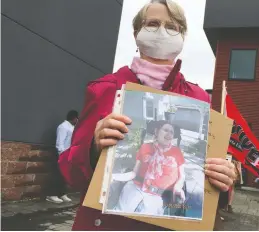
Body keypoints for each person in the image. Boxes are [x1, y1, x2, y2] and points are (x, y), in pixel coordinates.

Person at [58, 0, 236, 230]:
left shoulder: (200, 98)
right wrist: (93, 147)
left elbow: (209, 188)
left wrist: (224, 179)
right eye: (152, 24)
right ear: (136, 33)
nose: (162, 31)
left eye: (172, 26)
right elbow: (71, 173)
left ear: (182, 37)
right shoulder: (105, 89)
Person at [111, 120, 185, 216]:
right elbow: (133, 173)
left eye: (171, 132)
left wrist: (178, 187)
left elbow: (182, 176)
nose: (169, 134)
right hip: (135, 188)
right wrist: (113, 177)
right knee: (118, 216)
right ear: (156, 131)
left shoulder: (177, 152)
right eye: (166, 130)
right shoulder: (145, 147)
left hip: (158, 196)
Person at [46, 110, 78, 204]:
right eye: (77, 118)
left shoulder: (72, 127)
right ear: (74, 118)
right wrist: (62, 155)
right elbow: (60, 143)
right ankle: (52, 195)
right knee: (57, 175)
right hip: (62, 155)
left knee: (65, 175)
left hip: (68, 155)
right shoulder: (63, 127)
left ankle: (62, 193)